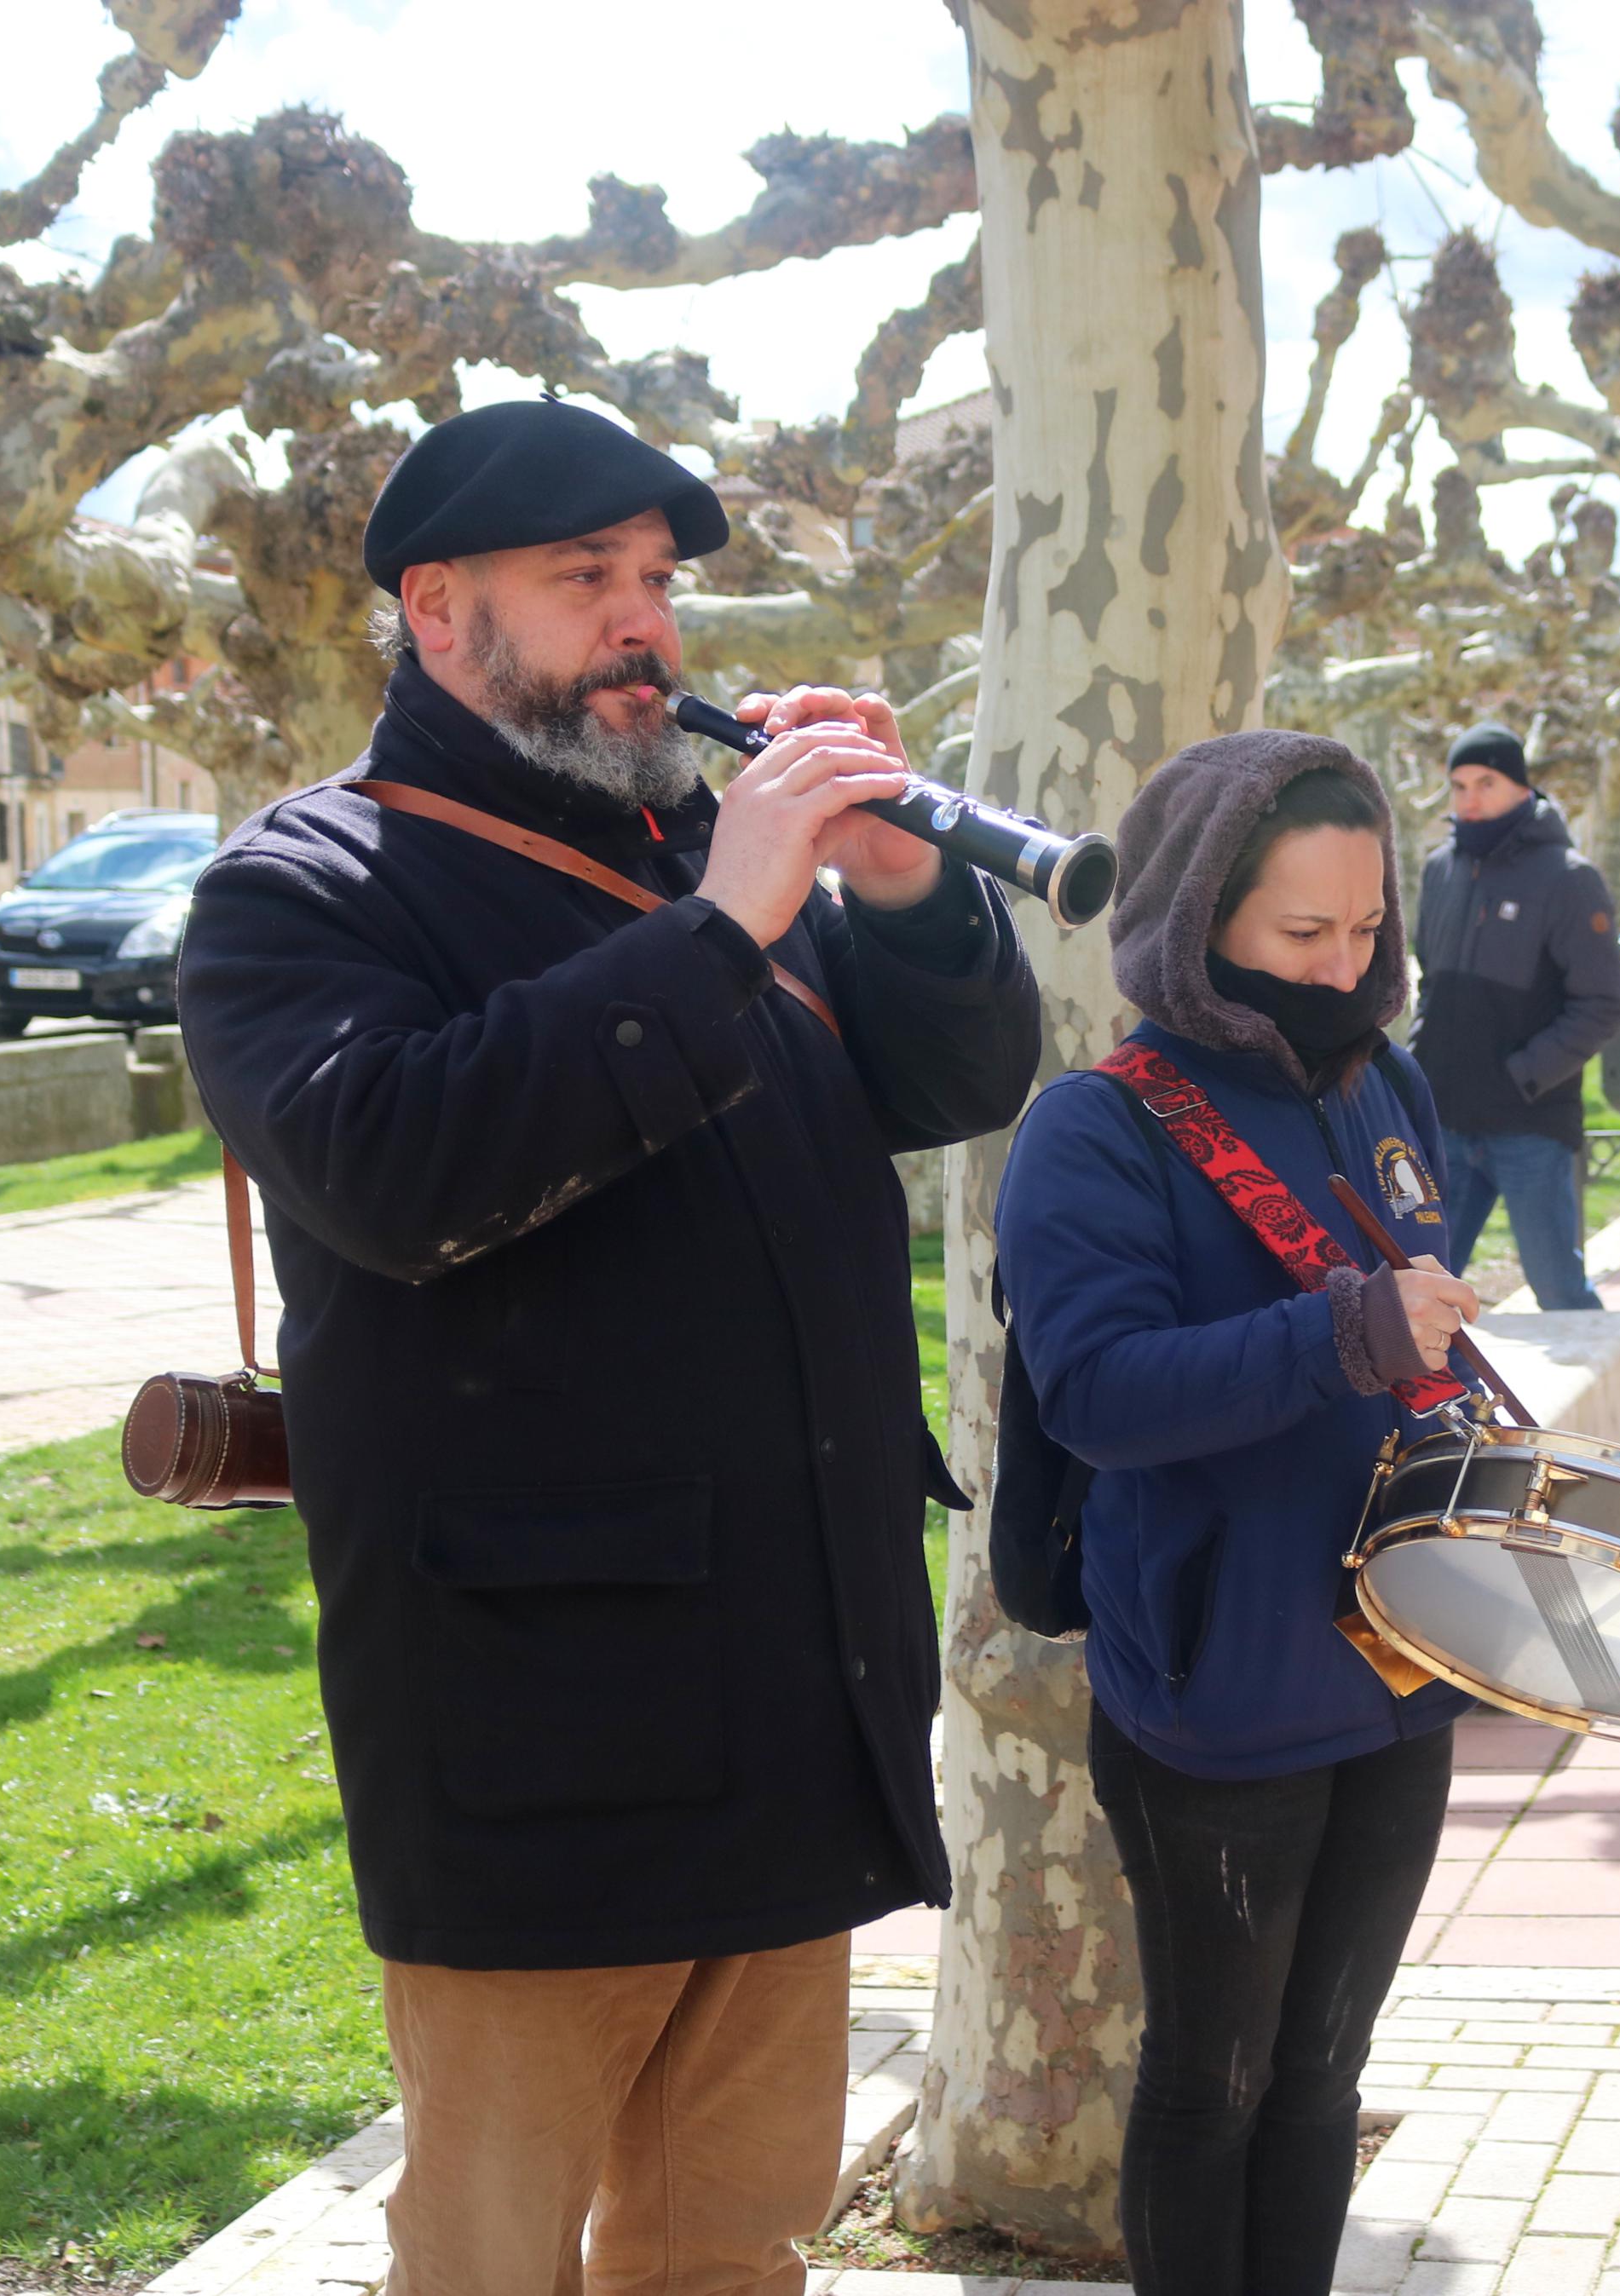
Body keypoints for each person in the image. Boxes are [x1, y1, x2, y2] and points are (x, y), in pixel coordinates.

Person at [174, 396, 1043, 2295]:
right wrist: (732, 916)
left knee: (732, 2244)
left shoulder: (691, 854)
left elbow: (955, 1079)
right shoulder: (303, 889)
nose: (645, 620)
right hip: (539, 1720)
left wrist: (898, 899)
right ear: (439, 612)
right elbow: (397, 1168)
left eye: (654, 581)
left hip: (787, 1680)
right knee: (495, 2258)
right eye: (586, 580)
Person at [998, 731, 1478, 2296]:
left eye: (1365, 929)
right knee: (1216, 2081)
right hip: (1215, 1685)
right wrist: (1343, 1334)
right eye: (1299, 936)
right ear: (1200, 919)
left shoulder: (1385, 1080)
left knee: (1328, 2074)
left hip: (1403, 1664)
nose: (1342, 969)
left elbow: (1413, 1315)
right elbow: (1099, 1395)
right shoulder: (1098, 1127)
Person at [1410, 722, 1620, 1311]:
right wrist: (1417, 1065)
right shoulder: (1440, 869)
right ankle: (1433, 1405)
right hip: (1448, 1123)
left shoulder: (1568, 877)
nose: (1468, 799)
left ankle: (1617, 1407)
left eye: (1484, 782)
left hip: (1529, 1125)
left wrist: (1523, 1073)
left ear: (1520, 787)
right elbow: (1429, 981)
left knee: (1558, 1291)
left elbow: (1605, 1002)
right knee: (1423, 1289)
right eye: (1457, 785)